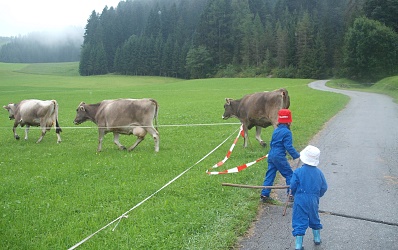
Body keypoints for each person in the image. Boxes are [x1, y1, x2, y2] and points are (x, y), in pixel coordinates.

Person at [290, 145, 328, 250]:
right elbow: (324, 186)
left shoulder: (298, 172)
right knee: (314, 217)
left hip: (300, 199)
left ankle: (298, 245)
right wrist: (318, 194)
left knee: (299, 219)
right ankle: (317, 238)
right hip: (314, 199)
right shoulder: (319, 173)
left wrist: (292, 192)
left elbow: (293, 185)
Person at [260, 109, 300, 202]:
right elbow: (288, 146)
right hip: (279, 156)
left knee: (270, 174)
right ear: (289, 122)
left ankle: (264, 194)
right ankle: (291, 193)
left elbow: (272, 143)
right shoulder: (287, 132)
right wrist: (296, 155)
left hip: (271, 155)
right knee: (289, 174)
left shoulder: (276, 130)